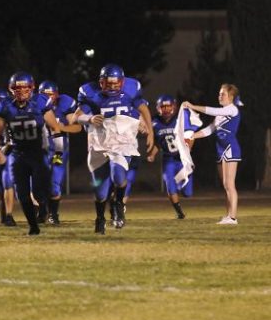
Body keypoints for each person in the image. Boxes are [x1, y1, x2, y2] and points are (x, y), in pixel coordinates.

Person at [72, 64, 154, 234]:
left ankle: (118, 204)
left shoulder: (131, 90)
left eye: (116, 84)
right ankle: (100, 218)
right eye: (109, 84)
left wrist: (150, 132)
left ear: (122, 82)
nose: (112, 87)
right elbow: (75, 118)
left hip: (122, 142)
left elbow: (143, 108)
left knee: (118, 176)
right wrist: (89, 118)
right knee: (101, 192)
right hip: (99, 143)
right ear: (101, 82)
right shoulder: (91, 93)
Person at [0, 73, 81, 235]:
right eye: (17, 88)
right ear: (11, 89)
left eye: (25, 88)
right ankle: (33, 226)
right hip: (18, 154)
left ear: (32, 88)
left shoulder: (40, 103)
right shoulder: (6, 106)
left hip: (37, 152)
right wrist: (0, 147)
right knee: (22, 194)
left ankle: (44, 209)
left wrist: (58, 150)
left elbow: (55, 128)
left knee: (38, 191)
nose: (21, 92)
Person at [182, 84, 243, 225]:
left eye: (223, 94)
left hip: (230, 148)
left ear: (231, 97)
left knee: (230, 184)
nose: (220, 96)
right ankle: (228, 215)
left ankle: (233, 218)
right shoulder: (221, 115)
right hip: (220, 149)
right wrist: (192, 136)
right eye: (219, 94)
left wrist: (193, 106)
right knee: (225, 185)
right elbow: (209, 130)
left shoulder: (232, 109)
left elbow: (212, 111)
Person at [147, 95, 195, 219]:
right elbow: (158, 143)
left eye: (168, 106)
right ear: (158, 108)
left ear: (174, 106)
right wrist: (152, 154)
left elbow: (191, 135)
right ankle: (179, 212)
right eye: (163, 106)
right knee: (170, 186)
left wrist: (188, 148)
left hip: (182, 160)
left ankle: (180, 184)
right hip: (168, 159)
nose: (166, 109)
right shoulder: (155, 122)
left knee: (188, 193)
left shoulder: (181, 119)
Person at [37, 80, 78, 225]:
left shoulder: (64, 105)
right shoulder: (34, 106)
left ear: (57, 95)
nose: (48, 98)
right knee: (38, 185)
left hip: (58, 151)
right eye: (45, 95)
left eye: (51, 95)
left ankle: (53, 214)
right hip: (39, 150)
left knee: (54, 184)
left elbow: (77, 128)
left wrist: (61, 128)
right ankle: (42, 210)